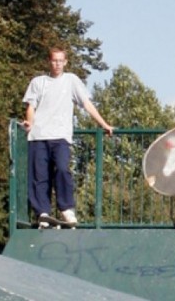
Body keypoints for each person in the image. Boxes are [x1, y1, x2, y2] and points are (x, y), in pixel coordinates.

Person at [22, 47, 114, 228]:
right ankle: (43, 213)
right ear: (49, 62)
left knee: (63, 169)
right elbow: (31, 107)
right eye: (54, 60)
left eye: (60, 61)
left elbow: (86, 104)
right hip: (38, 135)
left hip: (60, 136)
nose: (57, 64)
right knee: (40, 176)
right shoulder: (38, 82)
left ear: (65, 62)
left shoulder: (71, 80)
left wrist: (103, 124)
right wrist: (29, 123)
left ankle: (66, 208)